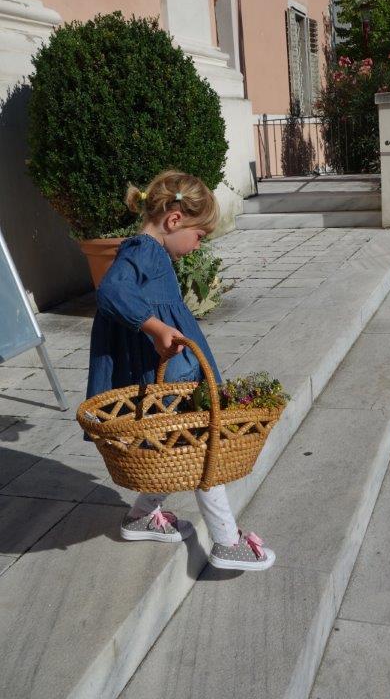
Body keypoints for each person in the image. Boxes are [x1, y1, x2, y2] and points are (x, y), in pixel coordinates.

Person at [87, 169, 275, 571]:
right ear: (174, 220)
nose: (198, 244)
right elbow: (111, 291)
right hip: (169, 375)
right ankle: (226, 541)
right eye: (199, 235)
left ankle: (141, 516)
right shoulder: (144, 250)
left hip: (169, 372)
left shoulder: (150, 252)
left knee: (174, 446)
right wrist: (155, 328)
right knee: (202, 445)